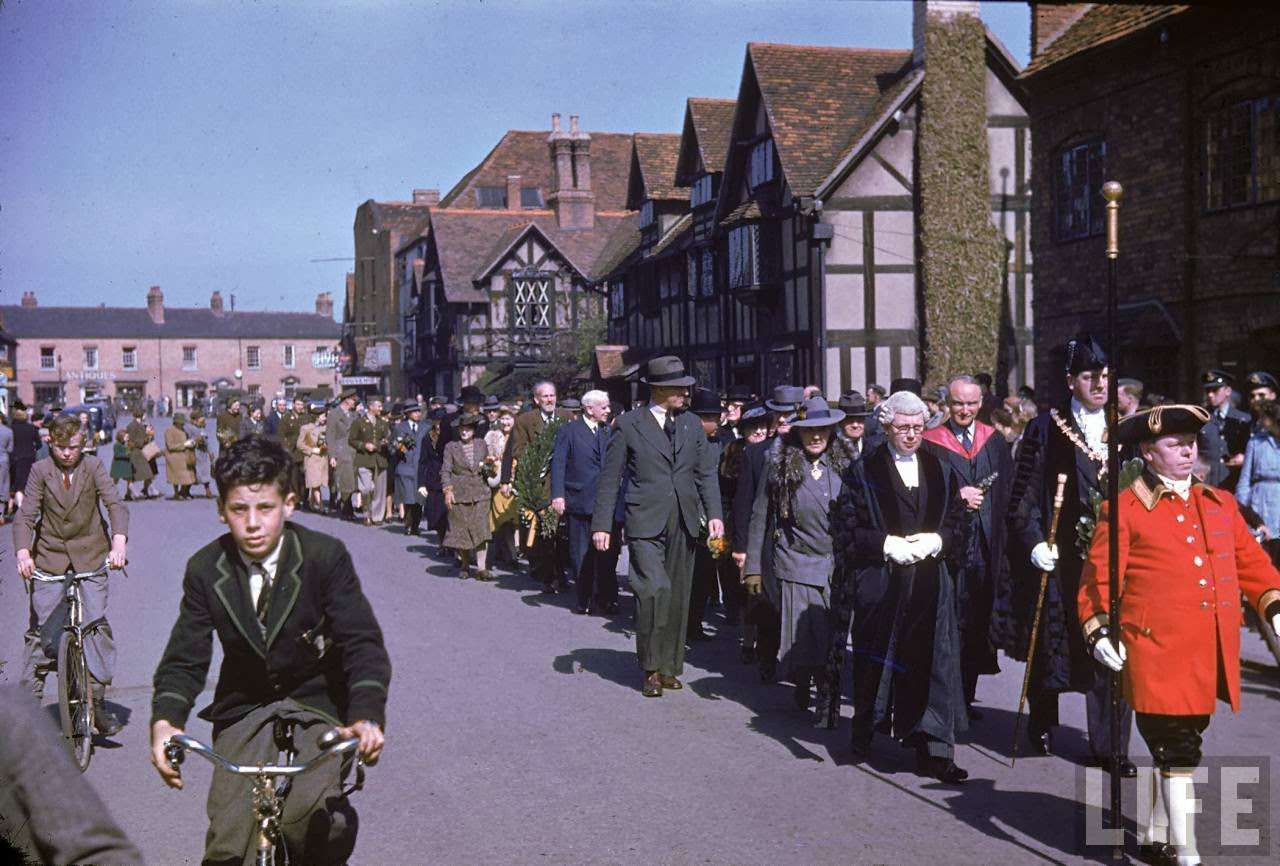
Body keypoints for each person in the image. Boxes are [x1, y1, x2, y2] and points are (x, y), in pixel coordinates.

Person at [149, 435, 390, 866]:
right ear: (221, 510)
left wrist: (366, 714)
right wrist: (166, 722)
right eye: (239, 510)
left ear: (290, 504)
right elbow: (186, 655)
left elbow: (361, 643)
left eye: (266, 508)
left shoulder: (324, 556)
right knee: (228, 838)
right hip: (246, 705)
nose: (253, 523)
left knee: (313, 822)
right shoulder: (206, 570)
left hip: (318, 700)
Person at [1078, 404, 1280, 866]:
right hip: (1154, 651)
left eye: (1190, 443)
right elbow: (1096, 583)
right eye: (1174, 445)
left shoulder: (1219, 503)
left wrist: (1273, 603)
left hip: (1206, 652)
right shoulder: (1124, 509)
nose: (1187, 452)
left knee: (1184, 739)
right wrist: (1099, 631)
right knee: (1177, 748)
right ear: (1149, 453)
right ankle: (1186, 854)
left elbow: (1251, 563)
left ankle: (1154, 834)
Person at [998, 333, 1135, 775]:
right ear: (1070, 380)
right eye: (1090, 376)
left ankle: (1111, 745)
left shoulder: (1127, 428)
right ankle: (1041, 720)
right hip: (1061, 558)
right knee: (1052, 642)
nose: (1101, 383)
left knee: (1111, 647)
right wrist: (1035, 541)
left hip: (1112, 559)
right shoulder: (1045, 428)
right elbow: (1021, 495)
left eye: (1106, 375)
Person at [827, 389, 968, 782]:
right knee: (878, 657)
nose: (911, 434)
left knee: (935, 662)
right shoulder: (863, 471)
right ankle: (865, 733)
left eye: (918, 427)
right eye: (903, 427)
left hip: (929, 581)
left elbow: (958, 521)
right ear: (887, 427)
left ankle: (935, 750)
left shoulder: (941, 469)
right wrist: (885, 545)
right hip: (883, 579)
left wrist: (939, 541)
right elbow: (846, 529)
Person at [591, 356, 723, 698]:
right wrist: (602, 524)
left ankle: (669, 666)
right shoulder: (629, 424)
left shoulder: (692, 424)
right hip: (645, 520)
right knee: (654, 590)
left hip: (684, 518)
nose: (686, 392)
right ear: (661, 389)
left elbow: (705, 473)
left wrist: (714, 515)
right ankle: (650, 666)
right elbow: (610, 478)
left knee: (678, 594)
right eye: (680, 388)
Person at [15, 413, 129, 735]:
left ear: (84, 444)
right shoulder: (40, 470)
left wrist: (118, 543)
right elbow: (26, 517)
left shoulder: (93, 467)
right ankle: (26, 711)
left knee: (94, 627)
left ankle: (100, 703)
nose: (67, 453)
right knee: (41, 633)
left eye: (73, 447)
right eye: (61, 447)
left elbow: (115, 505)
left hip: (92, 555)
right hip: (50, 558)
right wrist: (24, 552)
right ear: (50, 442)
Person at [745, 396, 853, 724]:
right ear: (798, 433)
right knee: (804, 636)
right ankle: (807, 682)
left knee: (831, 635)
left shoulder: (847, 465)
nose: (815, 437)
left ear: (832, 431)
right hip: (795, 561)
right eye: (808, 431)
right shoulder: (779, 465)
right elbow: (759, 515)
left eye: (821, 430)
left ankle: (825, 690)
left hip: (835, 564)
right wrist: (752, 567)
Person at [922, 375, 1013, 719]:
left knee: (978, 621)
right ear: (947, 403)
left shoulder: (995, 441)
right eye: (958, 403)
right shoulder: (931, 443)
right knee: (950, 624)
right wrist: (955, 496)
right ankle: (948, 700)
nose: (965, 409)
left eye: (971, 403)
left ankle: (968, 695)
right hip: (952, 550)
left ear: (981, 402)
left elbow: (1009, 492)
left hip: (988, 549)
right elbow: (923, 495)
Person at [0, 685, 144, 866]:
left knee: (99, 659)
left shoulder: (10, 718)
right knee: (36, 661)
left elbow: (95, 854)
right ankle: (33, 689)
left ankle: (96, 704)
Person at [732, 385, 804, 681]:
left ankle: (799, 663)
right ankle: (766, 655)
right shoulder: (756, 452)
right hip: (769, 537)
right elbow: (744, 502)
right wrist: (741, 548)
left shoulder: (812, 448)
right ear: (772, 415)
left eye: (791, 414)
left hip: (802, 538)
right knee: (768, 601)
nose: (785, 419)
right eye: (780, 414)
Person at [501, 381, 572, 592]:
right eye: (545, 396)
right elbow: (517, 450)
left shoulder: (566, 417)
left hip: (562, 481)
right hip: (538, 483)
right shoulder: (525, 421)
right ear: (536, 400)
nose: (549, 400)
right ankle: (547, 575)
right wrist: (541, 458)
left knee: (561, 531)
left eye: (552, 396)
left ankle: (560, 572)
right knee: (543, 531)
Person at [551, 390, 617, 615]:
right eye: (604, 407)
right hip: (579, 500)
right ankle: (584, 598)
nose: (608, 411)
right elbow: (558, 464)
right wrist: (558, 495)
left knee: (607, 552)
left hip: (606, 502)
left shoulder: (609, 431)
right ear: (590, 409)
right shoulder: (568, 431)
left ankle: (607, 598)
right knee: (581, 554)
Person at [687, 387, 730, 638]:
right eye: (711, 418)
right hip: (694, 516)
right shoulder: (688, 445)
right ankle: (688, 622)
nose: (716, 422)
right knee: (692, 575)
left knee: (706, 572)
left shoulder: (722, 443)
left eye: (717, 417)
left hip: (714, 517)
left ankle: (696, 621)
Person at [440, 413, 493, 580]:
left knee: (481, 529)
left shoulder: (482, 444)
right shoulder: (451, 447)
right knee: (462, 531)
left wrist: (491, 466)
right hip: (459, 494)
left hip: (480, 493)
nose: (464, 432)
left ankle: (481, 568)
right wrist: (447, 490)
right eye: (462, 429)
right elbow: (445, 470)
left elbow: (487, 466)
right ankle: (464, 563)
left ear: (474, 430)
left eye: (468, 429)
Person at [1199, 369, 1252, 489]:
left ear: (1228, 391)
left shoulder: (1243, 419)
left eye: (1215, 390)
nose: (1210, 395)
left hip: (1234, 481)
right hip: (1208, 482)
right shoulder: (1202, 419)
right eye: (1208, 391)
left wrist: (1244, 457)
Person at [1236, 400, 1280, 538]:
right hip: (1260, 504)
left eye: (1264, 417)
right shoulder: (1256, 442)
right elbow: (1244, 480)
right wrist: (1244, 509)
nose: (1260, 420)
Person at [348, 396, 390, 526]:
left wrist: (386, 442)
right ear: (371, 407)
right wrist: (364, 445)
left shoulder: (383, 423)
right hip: (364, 459)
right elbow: (352, 440)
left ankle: (376, 517)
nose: (381, 409)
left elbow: (387, 437)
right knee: (366, 488)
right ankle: (366, 513)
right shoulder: (359, 422)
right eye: (379, 406)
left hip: (380, 459)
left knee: (379, 490)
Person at [485, 406, 518, 568]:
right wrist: (491, 460)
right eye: (503, 418)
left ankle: (511, 552)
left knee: (512, 519)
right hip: (498, 483)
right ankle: (504, 553)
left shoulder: (519, 436)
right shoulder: (492, 436)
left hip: (515, 482)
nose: (505, 422)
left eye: (508, 418)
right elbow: (485, 456)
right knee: (499, 519)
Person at [417, 406, 450, 546]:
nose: (439, 424)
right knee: (436, 514)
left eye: (441, 421)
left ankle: (451, 545)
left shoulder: (450, 435)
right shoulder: (427, 438)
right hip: (433, 479)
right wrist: (421, 483)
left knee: (449, 514)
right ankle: (442, 542)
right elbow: (423, 461)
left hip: (449, 477)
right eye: (436, 421)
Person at [391, 402, 426, 535]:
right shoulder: (400, 428)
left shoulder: (425, 427)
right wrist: (399, 449)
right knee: (408, 498)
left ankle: (415, 525)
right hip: (405, 467)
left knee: (419, 499)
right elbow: (391, 445)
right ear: (407, 414)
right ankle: (408, 524)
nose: (418, 413)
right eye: (414, 411)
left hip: (420, 467)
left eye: (418, 411)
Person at [326, 390, 358, 517]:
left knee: (352, 479)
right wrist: (332, 455)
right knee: (346, 479)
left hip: (353, 450)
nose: (355, 402)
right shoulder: (334, 414)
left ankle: (347, 505)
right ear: (347, 400)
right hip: (341, 450)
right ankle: (347, 507)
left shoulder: (354, 415)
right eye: (353, 400)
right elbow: (330, 435)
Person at [298, 408, 329, 513]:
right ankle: (320, 506)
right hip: (311, 459)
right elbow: (300, 444)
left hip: (322, 459)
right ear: (317, 417)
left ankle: (311, 503)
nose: (325, 418)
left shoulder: (325, 428)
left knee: (318, 483)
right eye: (323, 416)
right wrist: (311, 450)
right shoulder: (306, 429)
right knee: (315, 483)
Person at [11, 402, 39, 510]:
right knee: (29, 482)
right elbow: (39, 444)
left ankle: (20, 506)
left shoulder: (12, 428)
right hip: (30, 458)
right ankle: (29, 505)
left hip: (16, 459)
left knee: (19, 484)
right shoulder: (32, 428)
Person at [164, 412, 198, 499]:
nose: (182, 424)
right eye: (181, 422)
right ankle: (176, 493)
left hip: (184, 456)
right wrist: (184, 444)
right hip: (173, 457)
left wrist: (192, 443)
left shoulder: (184, 430)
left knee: (187, 476)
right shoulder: (169, 430)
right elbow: (170, 446)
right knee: (175, 477)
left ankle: (183, 492)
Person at [125, 407, 156, 499]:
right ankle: (134, 492)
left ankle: (130, 494)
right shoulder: (133, 426)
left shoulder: (139, 425)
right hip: (135, 452)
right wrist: (146, 438)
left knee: (136, 474)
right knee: (141, 473)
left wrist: (148, 435)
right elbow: (133, 440)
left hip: (139, 452)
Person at [187, 409, 216, 498]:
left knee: (206, 472)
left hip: (204, 455)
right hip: (195, 453)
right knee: (195, 473)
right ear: (195, 420)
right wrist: (196, 441)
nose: (203, 422)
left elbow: (207, 442)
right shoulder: (190, 429)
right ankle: (185, 490)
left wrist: (210, 452)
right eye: (201, 420)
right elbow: (188, 441)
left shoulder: (202, 429)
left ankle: (207, 490)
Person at [110, 427, 134, 500]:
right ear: (121, 437)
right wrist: (126, 455)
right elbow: (117, 454)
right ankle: (112, 494)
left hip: (126, 465)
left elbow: (131, 450)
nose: (127, 438)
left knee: (129, 480)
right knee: (115, 480)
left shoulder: (128, 444)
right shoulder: (117, 445)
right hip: (118, 465)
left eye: (128, 437)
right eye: (126, 437)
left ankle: (128, 494)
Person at [0, 412, 12, 522]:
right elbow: (10, 449)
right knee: (3, 485)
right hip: (3, 460)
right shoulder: (8, 431)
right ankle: (1, 514)